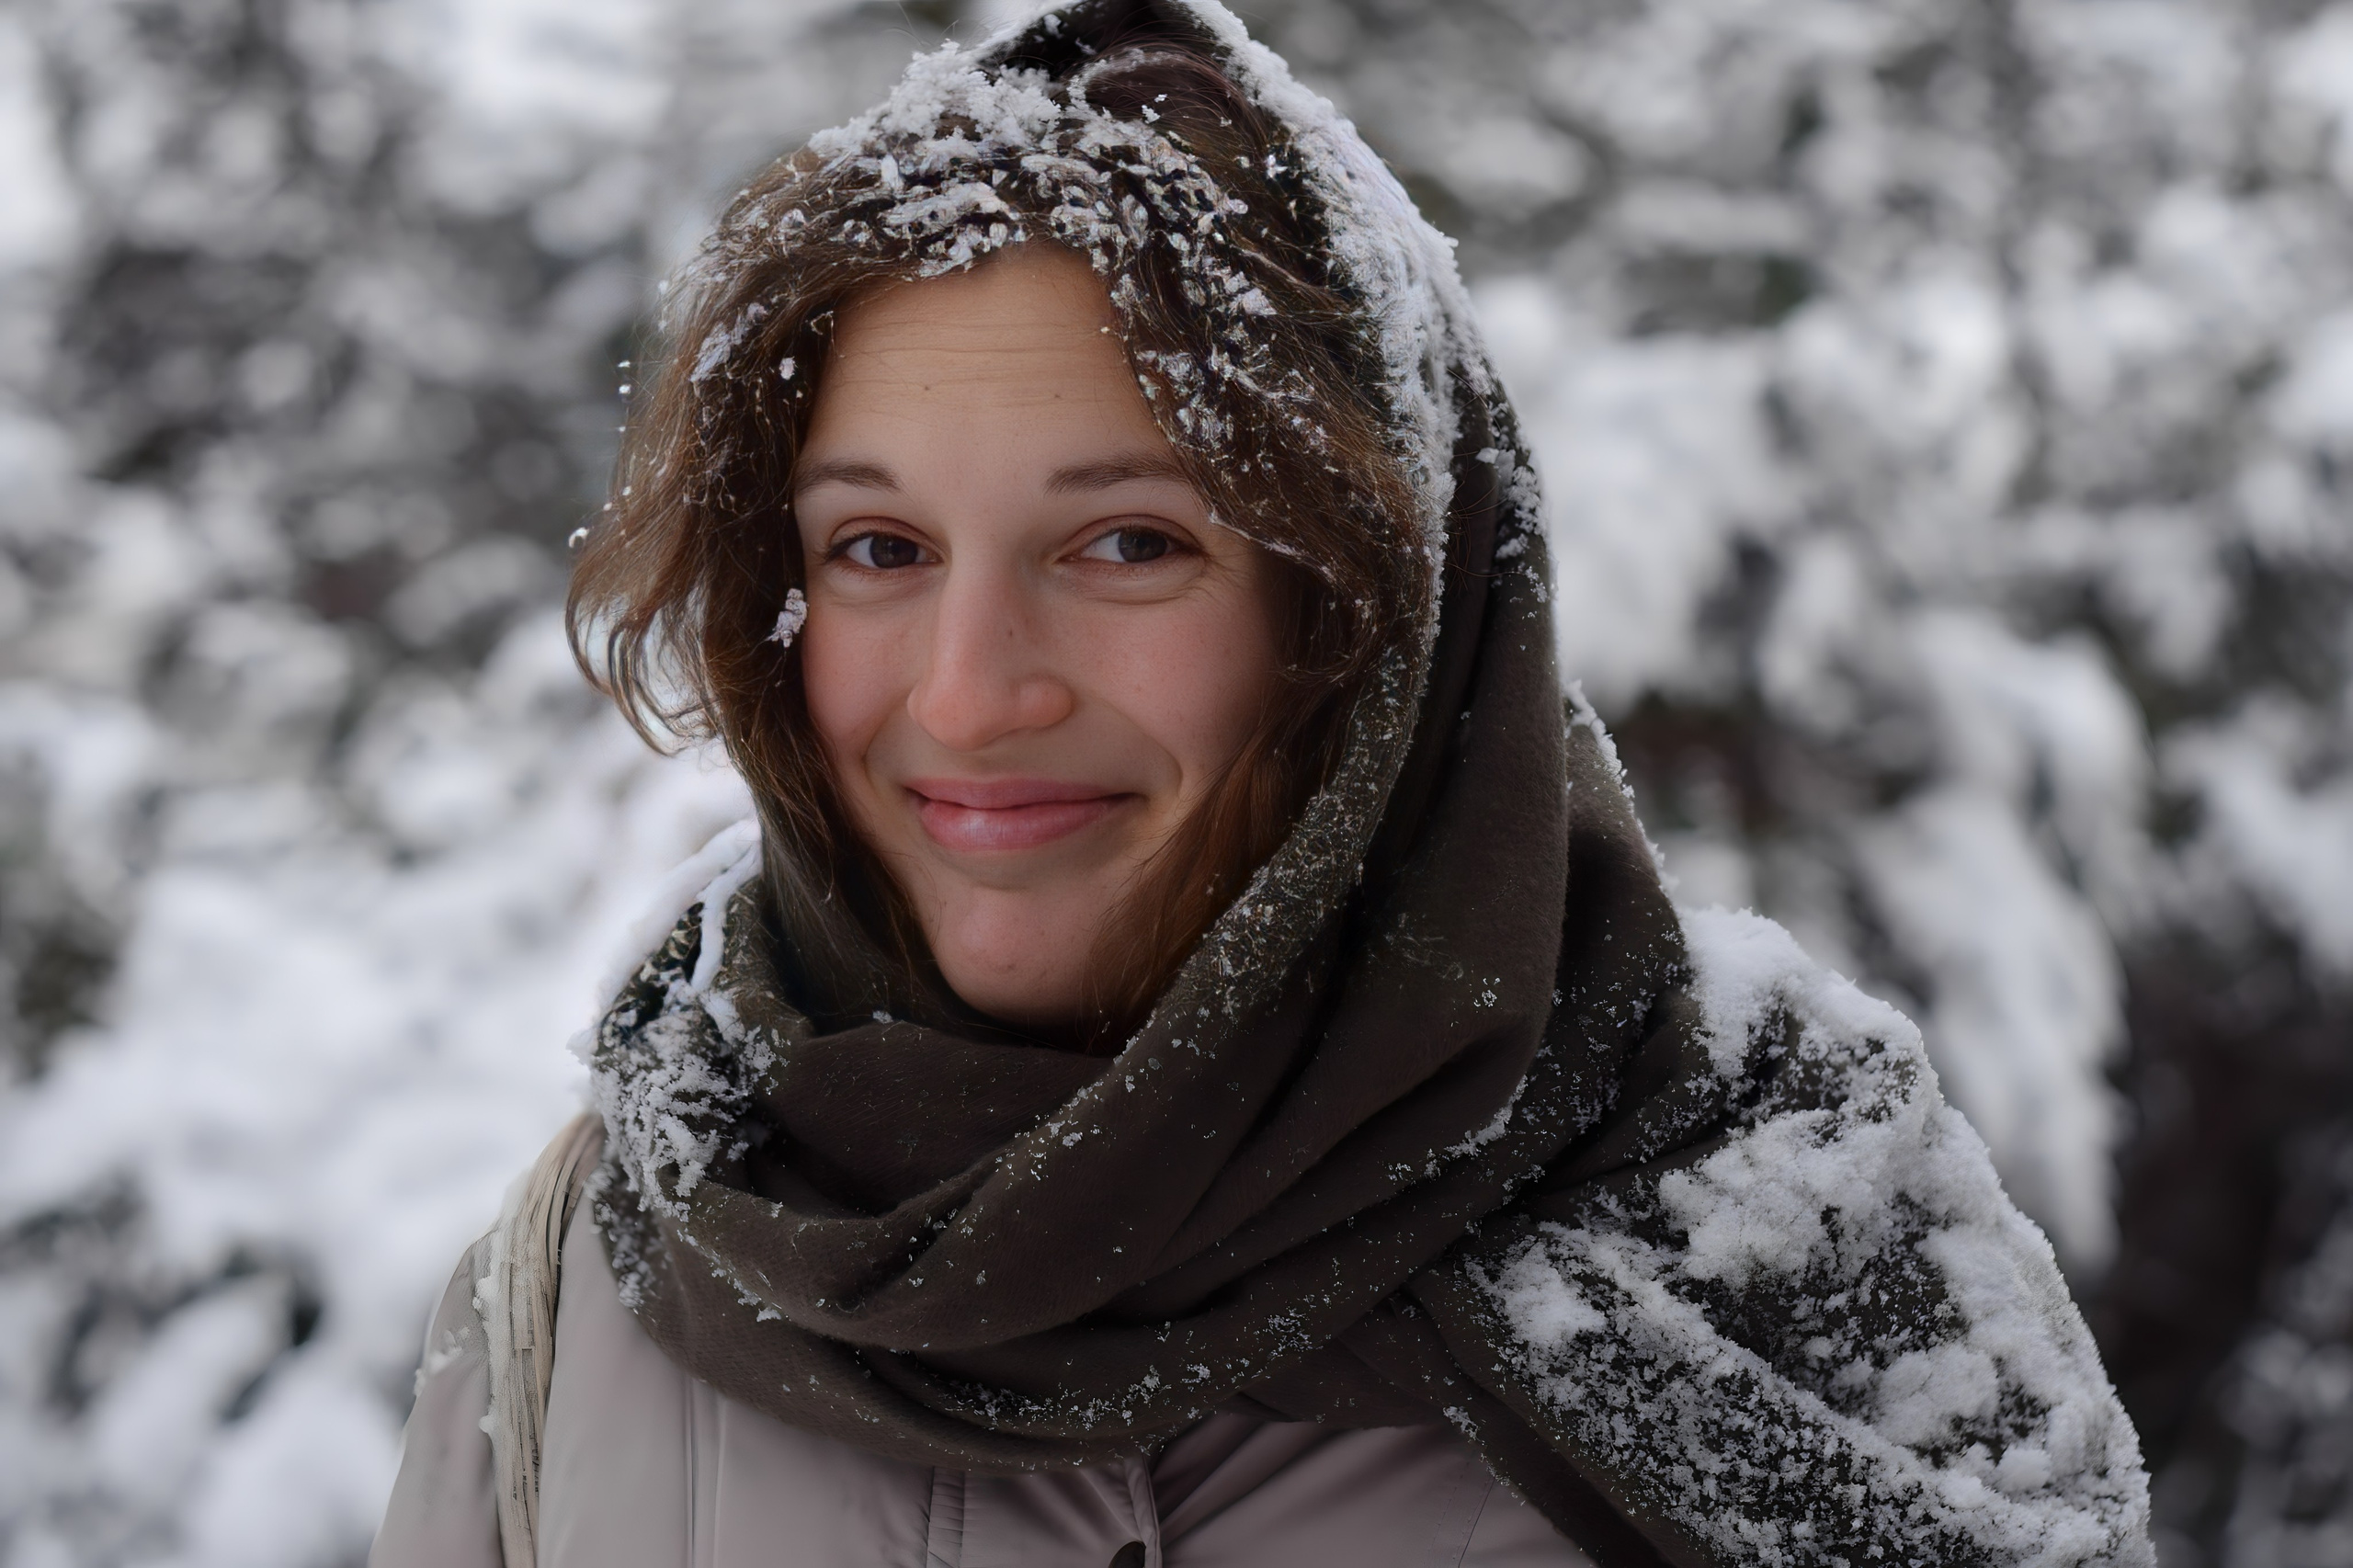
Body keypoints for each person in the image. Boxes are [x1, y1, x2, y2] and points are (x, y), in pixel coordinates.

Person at [369, 2, 2157, 1563]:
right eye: (877, 548)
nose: (971, 694)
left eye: (1128, 540)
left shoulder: (1785, 1270)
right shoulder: (586, 1290)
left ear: (1370, 621)